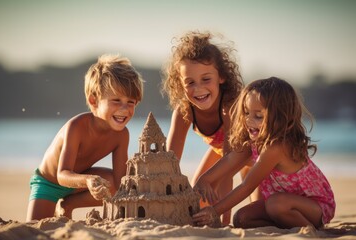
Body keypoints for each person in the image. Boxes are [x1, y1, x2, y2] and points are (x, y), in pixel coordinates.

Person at [192, 77, 336, 229]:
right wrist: (204, 180)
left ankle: (313, 231)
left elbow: (247, 186)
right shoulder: (254, 141)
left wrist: (215, 211)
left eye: (259, 116)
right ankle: (285, 226)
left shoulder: (277, 147)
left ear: (280, 117)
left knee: (276, 204)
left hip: (315, 206)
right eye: (246, 113)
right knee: (242, 218)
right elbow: (229, 160)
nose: (249, 120)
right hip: (281, 202)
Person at [26, 54, 144, 221]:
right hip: (49, 182)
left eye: (131, 102)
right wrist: (88, 180)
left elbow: (119, 183)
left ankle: (69, 204)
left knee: (113, 183)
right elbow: (62, 175)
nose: (124, 109)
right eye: (116, 100)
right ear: (94, 101)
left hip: (78, 185)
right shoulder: (77, 126)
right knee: (33, 227)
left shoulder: (122, 135)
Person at [161, 30, 255, 225]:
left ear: (221, 76)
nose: (198, 88)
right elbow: (170, 161)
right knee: (199, 194)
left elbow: (229, 166)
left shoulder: (229, 107)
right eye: (190, 82)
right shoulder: (184, 111)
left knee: (259, 206)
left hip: (252, 154)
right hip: (222, 152)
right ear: (180, 84)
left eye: (206, 79)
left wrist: (222, 220)